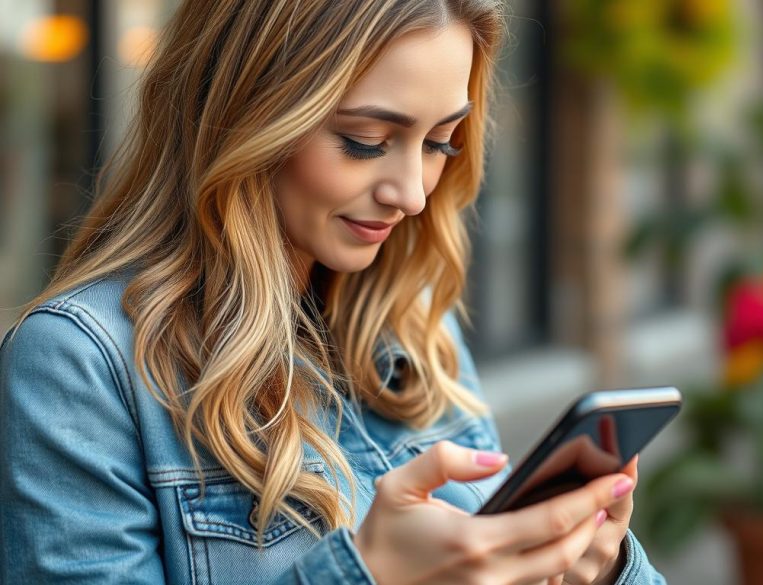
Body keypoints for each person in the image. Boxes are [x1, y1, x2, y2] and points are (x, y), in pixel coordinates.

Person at [0, 1, 668, 583]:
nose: (410, 193)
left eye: (441, 143)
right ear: (246, 113)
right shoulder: (80, 367)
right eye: (364, 140)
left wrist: (597, 568)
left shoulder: (415, 324)